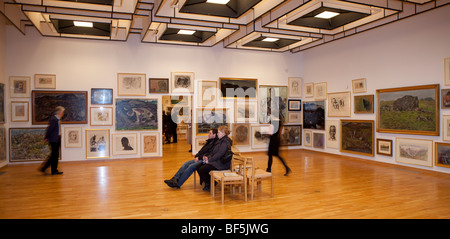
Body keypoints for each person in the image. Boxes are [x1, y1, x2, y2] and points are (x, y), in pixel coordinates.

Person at [196, 126, 233, 191]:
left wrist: (209, 160)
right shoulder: (220, 140)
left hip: (221, 164)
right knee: (198, 166)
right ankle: (210, 183)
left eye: (218, 132)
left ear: (223, 133)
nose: (217, 134)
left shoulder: (225, 142)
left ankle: (209, 184)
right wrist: (208, 157)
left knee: (202, 169)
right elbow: (214, 152)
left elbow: (219, 154)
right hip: (216, 161)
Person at [39, 106, 65, 175]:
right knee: (54, 155)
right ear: (59, 112)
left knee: (55, 155)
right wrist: (46, 137)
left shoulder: (58, 119)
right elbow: (49, 129)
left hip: (57, 138)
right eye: (62, 112)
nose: (63, 113)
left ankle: (52, 170)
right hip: (54, 139)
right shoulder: (54, 119)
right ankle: (48, 169)